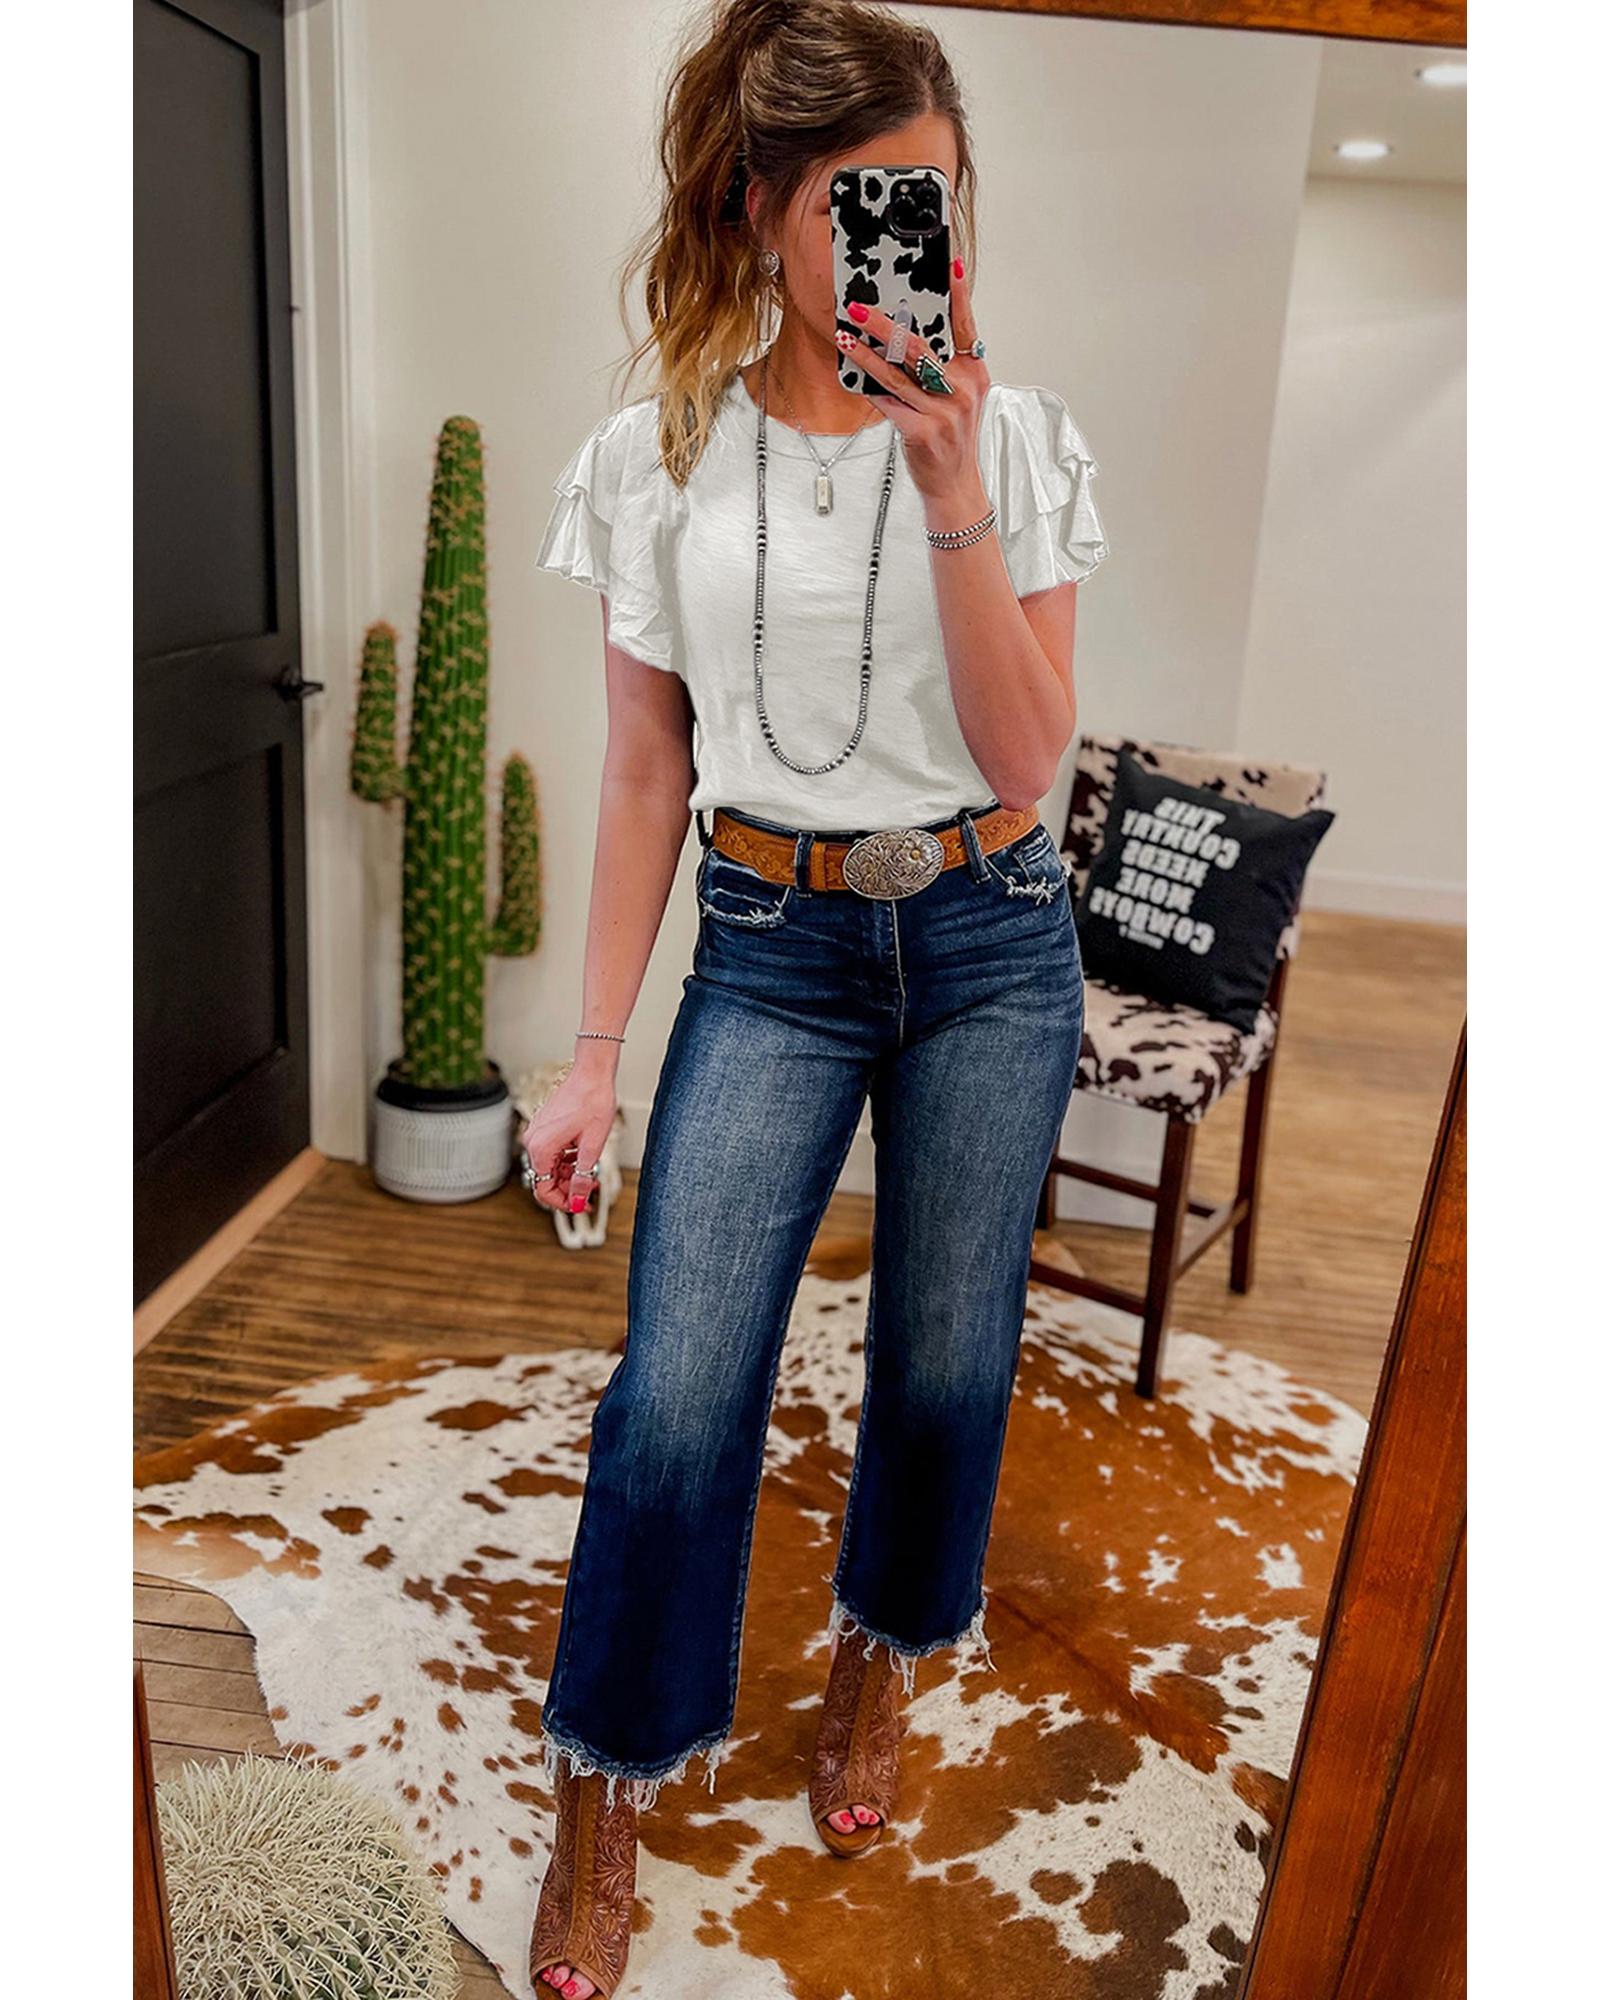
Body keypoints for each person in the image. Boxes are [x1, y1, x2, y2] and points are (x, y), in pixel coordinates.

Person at [520, 2, 1106, 1991]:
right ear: (761, 204)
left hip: (989, 938)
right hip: (768, 949)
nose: (899, 240)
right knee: (679, 1387)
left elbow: (1026, 758)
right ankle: (607, 1777)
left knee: (945, 1362)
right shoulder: (654, 457)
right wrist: (591, 1055)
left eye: (929, 201)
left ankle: (876, 1660)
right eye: (862, 202)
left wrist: (948, 475)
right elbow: (640, 772)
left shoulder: (1017, 440)